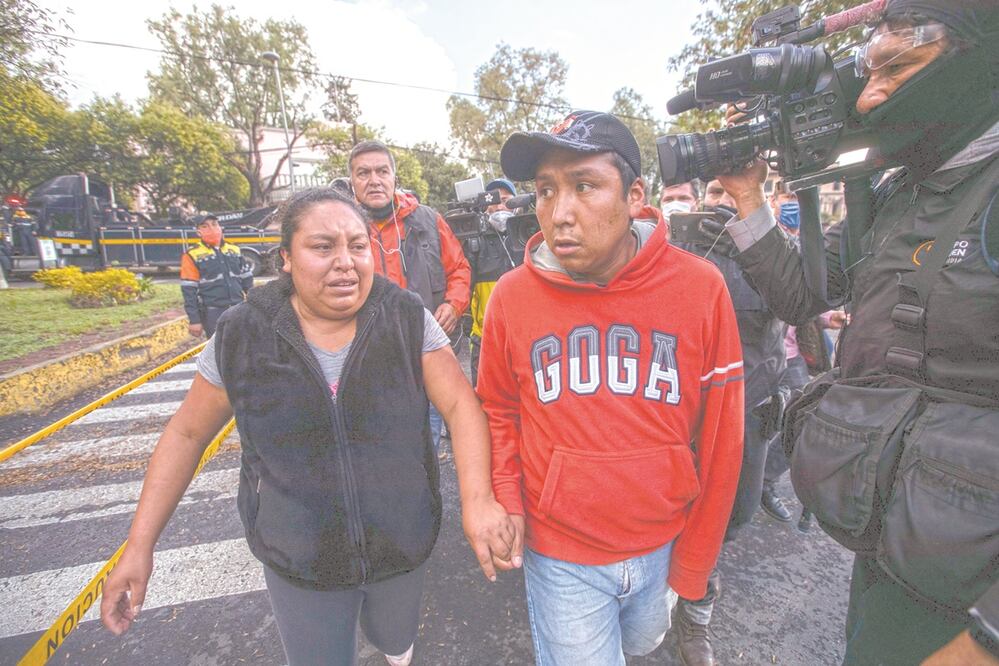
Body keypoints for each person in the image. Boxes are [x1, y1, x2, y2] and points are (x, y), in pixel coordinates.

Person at [100, 188, 516, 666]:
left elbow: (463, 406)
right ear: (286, 259)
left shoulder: (404, 316)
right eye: (322, 247)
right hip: (299, 558)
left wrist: (479, 500)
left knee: (395, 640)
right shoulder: (242, 332)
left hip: (401, 545)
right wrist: (139, 545)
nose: (346, 262)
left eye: (358, 246)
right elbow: (186, 434)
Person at [716, 1, 999, 663]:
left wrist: (986, 637)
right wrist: (749, 197)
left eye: (896, 68)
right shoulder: (896, 190)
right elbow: (802, 293)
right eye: (866, 74)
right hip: (894, 545)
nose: (870, 98)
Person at [476, 110, 744, 665]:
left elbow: (723, 437)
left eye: (585, 186)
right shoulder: (511, 297)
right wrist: (506, 494)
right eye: (546, 191)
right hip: (560, 553)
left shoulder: (700, 288)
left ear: (635, 195)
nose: (560, 213)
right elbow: (498, 409)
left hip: (661, 541)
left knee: (643, 644)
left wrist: (695, 560)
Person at [664, 179, 788, 665]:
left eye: (736, 192)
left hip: (748, 415)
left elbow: (805, 305)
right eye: (714, 191)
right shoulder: (679, 251)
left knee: (730, 518)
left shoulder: (778, 254)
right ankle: (678, 612)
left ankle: (692, 605)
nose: (724, 201)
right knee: (670, 514)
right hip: (680, 419)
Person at [348, 140, 471, 450]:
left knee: (426, 443)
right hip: (367, 359)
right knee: (375, 449)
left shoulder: (428, 220)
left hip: (425, 353)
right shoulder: (342, 225)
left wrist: (454, 305)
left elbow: (459, 268)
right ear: (352, 182)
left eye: (382, 171)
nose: (374, 180)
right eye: (363, 173)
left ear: (394, 178)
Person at [468, 178, 519, 386]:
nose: (499, 206)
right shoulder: (474, 241)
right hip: (484, 339)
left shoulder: (527, 235)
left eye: (506, 200)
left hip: (524, 334)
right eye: (494, 200)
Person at [180, 214, 253, 338]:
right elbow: (189, 290)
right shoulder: (192, 255)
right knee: (218, 352)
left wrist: (254, 305)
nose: (212, 229)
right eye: (205, 226)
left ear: (220, 227)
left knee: (244, 348)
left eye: (214, 224)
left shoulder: (234, 250)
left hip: (238, 308)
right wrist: (194, 320)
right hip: (213, 313)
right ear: (199, 232)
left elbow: (247, 281)